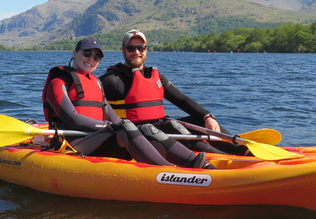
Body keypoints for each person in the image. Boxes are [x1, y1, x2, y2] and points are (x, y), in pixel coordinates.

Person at [42, 37, 214, 169]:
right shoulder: (58, 82)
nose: (91, 59)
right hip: (75, 145)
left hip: (100, 142)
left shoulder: (96, 83)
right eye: (87, 53)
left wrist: (136, 131)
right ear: (75, 53)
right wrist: (109, 126)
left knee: (145, 128)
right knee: (123, 126)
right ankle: (169, 171)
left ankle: (196, 164)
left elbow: (114, 117)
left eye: (97, 56)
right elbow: (74, 120)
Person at [99, 30, 248, 155]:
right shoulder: (111, 80)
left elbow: (181, 100)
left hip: (160, 129)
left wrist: (207, 116)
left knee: (200, 121)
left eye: (141, 48)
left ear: (146, 50)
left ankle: (244, 151)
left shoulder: (155, 77)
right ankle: (223, 158)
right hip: (135, 135)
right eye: (131, 48)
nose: (136, 52)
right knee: (172, 125)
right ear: (123, 50)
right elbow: (91, 103)